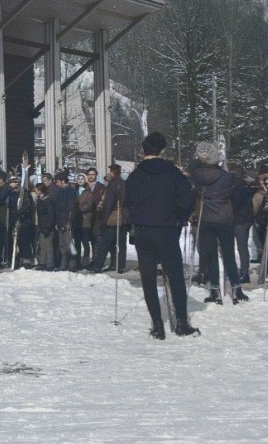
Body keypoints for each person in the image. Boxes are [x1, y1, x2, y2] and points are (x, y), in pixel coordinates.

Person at [124, 132, 199, 339]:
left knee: (148, 279)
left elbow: (128, 201)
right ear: (163, 150)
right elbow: (188, 198)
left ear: (143, 150)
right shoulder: (173, 173)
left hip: (142, 231)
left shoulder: (135, 175)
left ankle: (157, 326)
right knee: (175, 277)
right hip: (166, 229)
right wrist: (178, 217)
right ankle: (182, 323)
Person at [189, 141, 248, 305]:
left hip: (206, 218)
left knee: (211, 256)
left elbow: (191, 166)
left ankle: (214, 290)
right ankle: (236, 289)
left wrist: (200, 159)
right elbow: (236, 200)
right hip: (224, 218)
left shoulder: (197, 175)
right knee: (229, 255)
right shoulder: (228, 177)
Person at [90, 164, 127, 273]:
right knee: (121, 243)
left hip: (113, 217)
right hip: (124, 217)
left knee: (105, 244)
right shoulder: (124, 183)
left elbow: (109, 204)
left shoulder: (112, 184)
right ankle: (120, 267)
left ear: (112, 172)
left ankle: (97, 266)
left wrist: (104, 220)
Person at [76, 167, 105, 269]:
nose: (91, 176)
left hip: (96, 217)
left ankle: (95, 261)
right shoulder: (83, 186)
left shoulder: (101, 187)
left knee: (95, 241)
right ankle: (85, 261)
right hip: (85, 219)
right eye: (89, 175)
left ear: (96, 175)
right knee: (86, 240)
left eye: (93, 174)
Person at [54, 172, 77, 271]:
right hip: (60, 222)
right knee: (62, 245)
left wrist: (69, 222)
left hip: (66, 222)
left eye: (57, 181)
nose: (56, 183)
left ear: (63, 181)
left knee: (69, 244)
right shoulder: (61, 191)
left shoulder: (70, 191)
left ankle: (72, 265)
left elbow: (72, 208)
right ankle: (63, 264)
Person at [34, 182, 55, 270]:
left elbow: (51, 215)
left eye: (36, 189)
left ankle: (50, 264)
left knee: (48, 246)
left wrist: (48, 226)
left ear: (40, 190)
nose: (35, 190)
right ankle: (42, 262)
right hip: (42, 225)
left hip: (47, 226)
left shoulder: (47, 200)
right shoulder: (40, 199)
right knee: (42, 245)